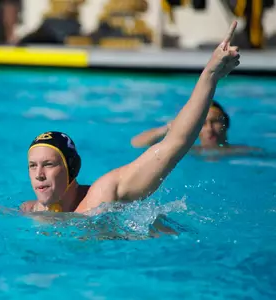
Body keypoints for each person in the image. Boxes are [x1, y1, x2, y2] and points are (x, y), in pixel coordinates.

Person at [20, 21, 241, 214]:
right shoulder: (29, 210)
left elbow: (174, 145)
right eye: (32, 166)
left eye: (49, 164)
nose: (39, 174)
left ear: (72, 168)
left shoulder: (102, 196)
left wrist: (209, 76)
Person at [130, 100, 262, 156]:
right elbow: (137, 143)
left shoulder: (246, 152)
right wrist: (170, 127)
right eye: (202, 124)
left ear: (226, 124)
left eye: (215, 122)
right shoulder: (189, 152)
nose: (209, 129)